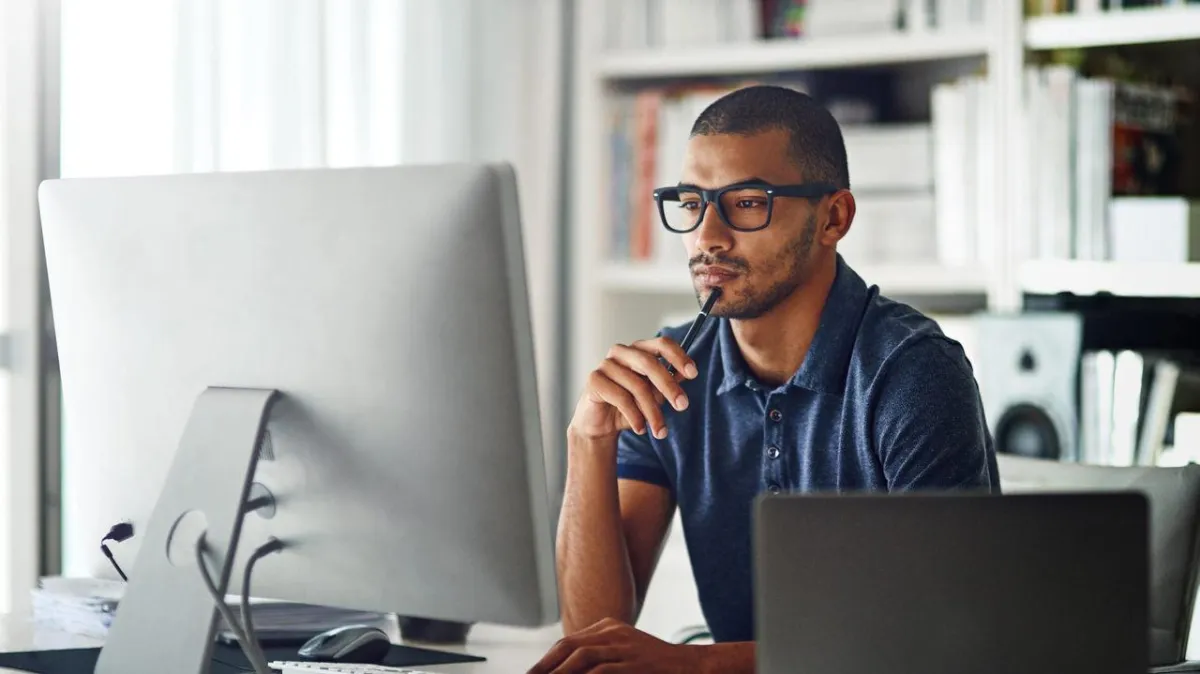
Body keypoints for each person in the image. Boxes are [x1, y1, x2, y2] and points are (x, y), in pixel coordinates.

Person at [528, 84, 999, 674]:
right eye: (693, 202)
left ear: (834, 217)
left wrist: (697, 666)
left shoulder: (914, 372)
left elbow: (945, 636)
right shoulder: (671, 372)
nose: (706, 237)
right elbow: (595, 632)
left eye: (747, 202)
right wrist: (587, 440)